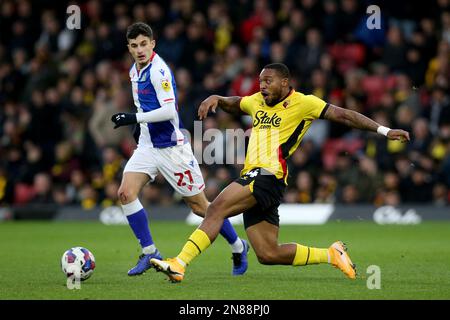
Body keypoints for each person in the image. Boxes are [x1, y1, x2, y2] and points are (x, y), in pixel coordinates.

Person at [150, 63, 410, 282]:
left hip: (268, 174)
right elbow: (236, 104)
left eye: (268, 81)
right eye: (260, 81)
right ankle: (331, 254)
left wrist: (384, 131)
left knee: (215, 208)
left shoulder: (304, 103)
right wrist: (216, 98)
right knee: (268, 254)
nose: (262, 86)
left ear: (285, 82)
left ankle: (180, 263)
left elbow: (344, 116)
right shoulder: (257, 101)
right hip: (262, 180)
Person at [110, 22, 249, 276]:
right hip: (148, 145)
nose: (140, 50)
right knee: (125, 193)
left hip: (172, 148)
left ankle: (239, 246)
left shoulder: (158, 71)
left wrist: (134, 118)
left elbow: (168, 111)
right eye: (134, 46)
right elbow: (146, 106)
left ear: (152, 43)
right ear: (129, 48)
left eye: (144, 44)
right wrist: (139, 126)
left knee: (200, 207)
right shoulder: (134, 71)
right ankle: (150, 252)